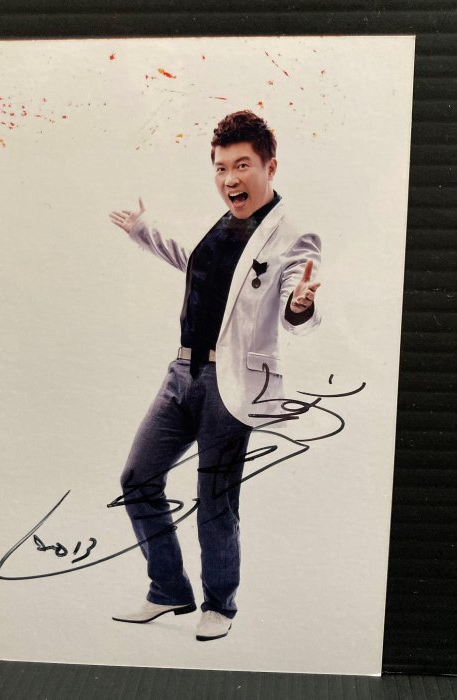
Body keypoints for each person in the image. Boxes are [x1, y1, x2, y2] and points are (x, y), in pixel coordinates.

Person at [109, 110, 321, 641]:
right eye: (221, 168)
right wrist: (142, 231)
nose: (230, 179)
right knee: (137, 479)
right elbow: (193, 262)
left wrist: (299, 304)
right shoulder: (222, 225)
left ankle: (219, 604)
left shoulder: (293, 234)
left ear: (270, 167)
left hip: (232, 386)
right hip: (182, 373)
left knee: (215, 501)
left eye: (242, 165)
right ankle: (167, 589)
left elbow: (297, 299)